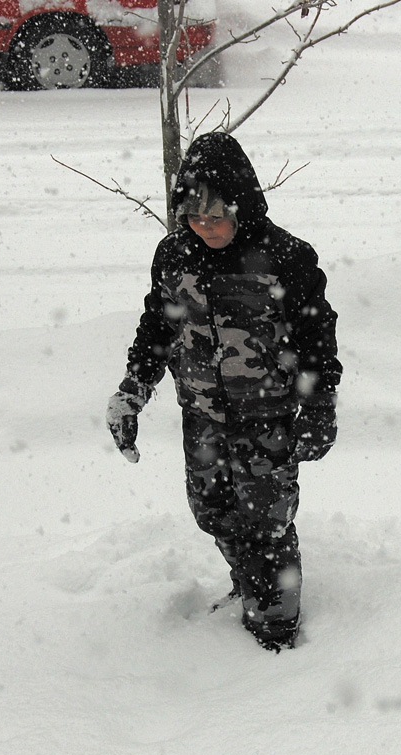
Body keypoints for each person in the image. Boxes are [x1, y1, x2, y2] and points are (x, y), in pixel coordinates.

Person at [105, 132, 341, 652]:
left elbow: (316, 339)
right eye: (195, 218)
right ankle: (249, 580)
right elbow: (157, 329)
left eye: (216, 217)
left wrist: (319, 406)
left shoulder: (286, 258)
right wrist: (132, 391)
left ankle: (276, 630)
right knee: (212, 510)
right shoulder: (174, 257)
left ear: (243, 206)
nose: (205, 228)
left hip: (268, 418)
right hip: (203, 417)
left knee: (268, 522)